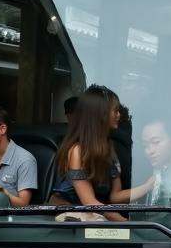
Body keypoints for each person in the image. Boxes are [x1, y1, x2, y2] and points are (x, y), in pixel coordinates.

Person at [50, 85, 125, 219]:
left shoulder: (109, 147)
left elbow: (116, 196)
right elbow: (89, 202)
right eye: (115, 110)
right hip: (68, 220)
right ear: (100, 114)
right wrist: (123, 221)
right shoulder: (77, 151)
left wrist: (150, 185)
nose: (119, 115)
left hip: (94, 217)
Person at [112, 118, 171, 206]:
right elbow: (115, 198)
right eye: (145, 145)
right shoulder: (139, 177)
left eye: (156, 142)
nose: (149, 151)